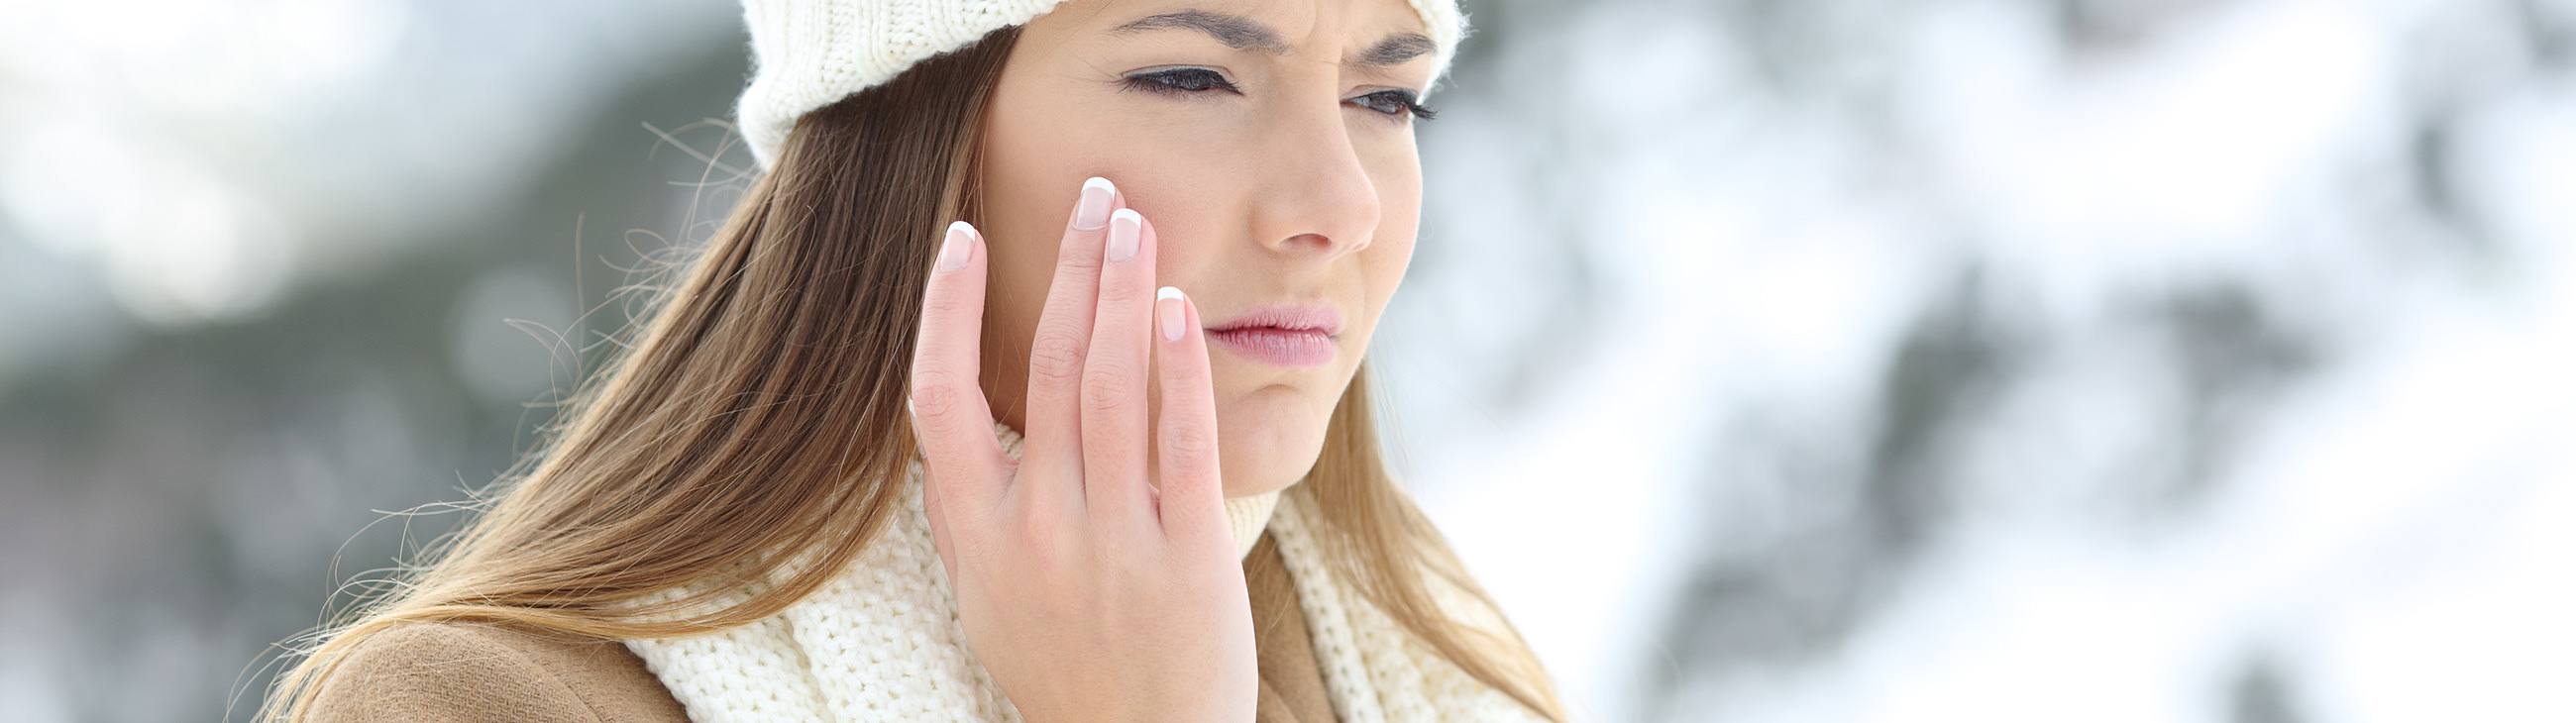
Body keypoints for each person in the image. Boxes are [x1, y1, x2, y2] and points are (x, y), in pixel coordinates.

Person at [263, 0, 1566, 720]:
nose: (1338, 200)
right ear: (910, 137)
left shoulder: (1435, 672)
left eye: (1386, 94)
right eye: (1190, 77)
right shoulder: (468, 712)